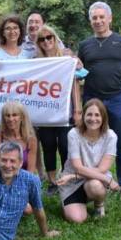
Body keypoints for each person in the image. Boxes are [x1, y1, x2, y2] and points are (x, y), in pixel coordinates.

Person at [78, 1, 121, 202]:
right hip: (92, 100)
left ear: (110, 18)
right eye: (94, 18)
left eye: (102, 17)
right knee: (88, 143)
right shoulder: (84, 45)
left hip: (117, 98)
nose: (98, 21)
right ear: (90, 21)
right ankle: (90, 182)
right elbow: (78, 74)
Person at [35, 25, 82, 195]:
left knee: (65, 145)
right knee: (48, 146)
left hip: (65, 113)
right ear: (38, 43)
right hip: (45, 114)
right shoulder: (36, 63)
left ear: (55, 38)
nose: (46, 41)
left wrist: (78, 110)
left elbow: (75, 85)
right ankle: (53, 182)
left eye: (49, 37)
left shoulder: (66, 59)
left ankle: (67, 178)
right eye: (42, 39)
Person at [56, 99, 121, 222]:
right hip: (73, 183)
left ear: (103, 117)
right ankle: (74, 204)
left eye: (97, 115)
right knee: (77, 219)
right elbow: (78, 167)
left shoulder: (111, 136)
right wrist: (108, 179)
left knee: (95, 185)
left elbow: (102, 169)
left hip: (94, 179)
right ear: (83, 116)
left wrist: (71, 176)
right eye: (89, 114)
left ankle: (98, 205)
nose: (93, 118)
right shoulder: (73, 134)